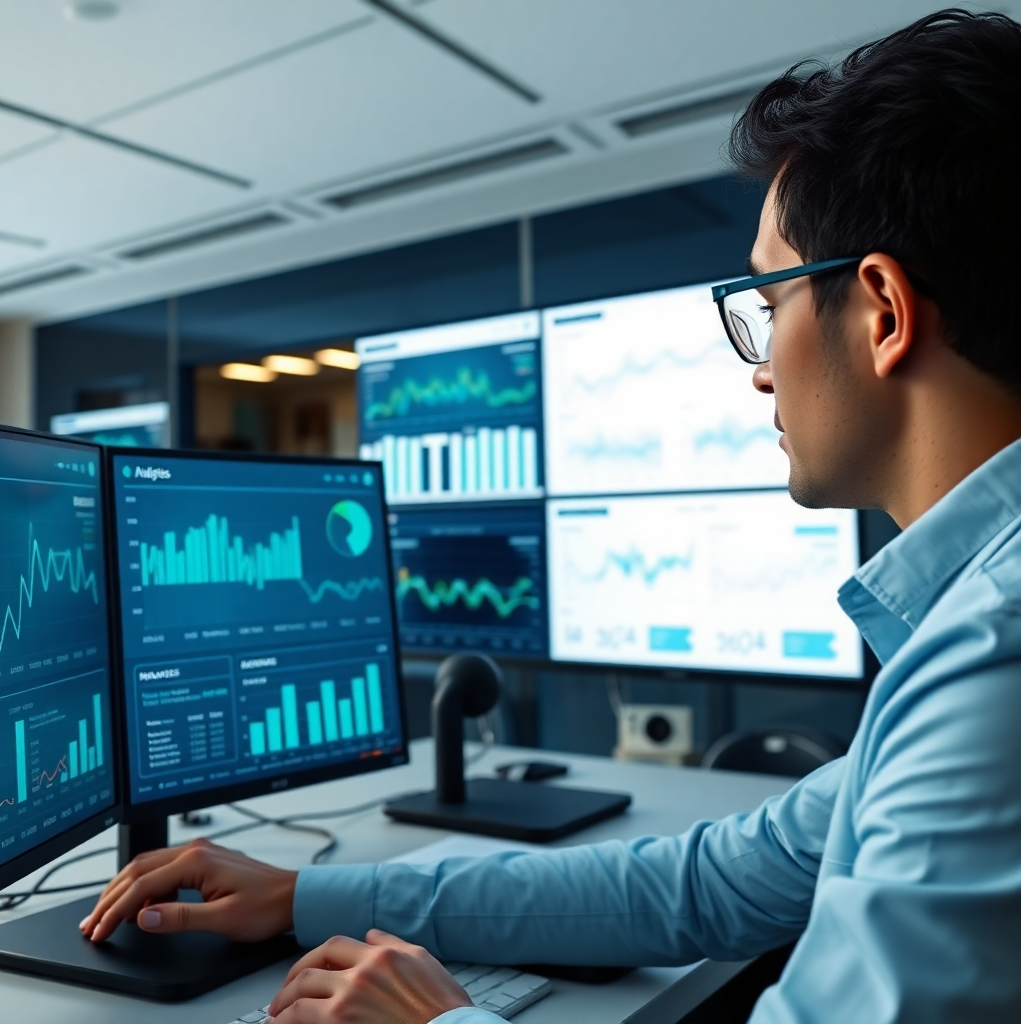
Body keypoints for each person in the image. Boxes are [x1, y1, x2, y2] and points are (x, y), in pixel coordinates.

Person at [79, 10, 1021, 1023]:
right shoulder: (967, 634)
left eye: (767, 299)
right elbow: (710, 881)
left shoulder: (991, 660)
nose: (757, 368)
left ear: (879, 311)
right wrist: (306, 895)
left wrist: (442, 1021)